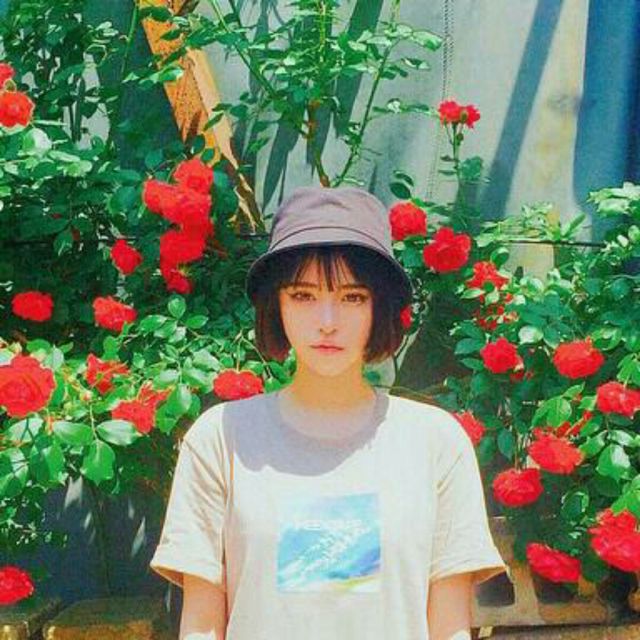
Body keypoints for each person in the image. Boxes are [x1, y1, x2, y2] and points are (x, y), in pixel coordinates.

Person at [149, 186, 510, 640]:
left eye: (352, 297)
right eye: (303, 295)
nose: (327, 321)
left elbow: (451, 629)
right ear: (276, 305)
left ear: (379, 306)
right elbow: (200, 629)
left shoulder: (436, 443)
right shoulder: (221, 439)